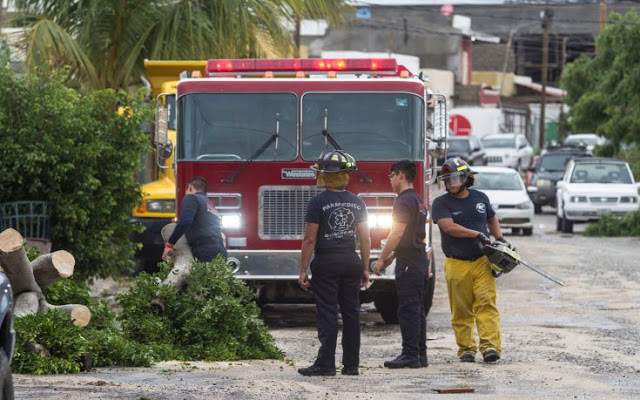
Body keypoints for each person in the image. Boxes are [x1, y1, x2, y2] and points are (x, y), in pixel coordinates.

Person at [431, 158, 512, 363]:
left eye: (456, 179)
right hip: (456, 263)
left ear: (467, 178)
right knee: (461, 308)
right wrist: (475, 234)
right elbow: (448, 227)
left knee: (486, 303)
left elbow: (491, 218)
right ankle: (466, 348)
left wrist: (500, 239)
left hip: (482, 262)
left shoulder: (480, 198)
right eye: (447, 180)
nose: (451, 184)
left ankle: (490, 346)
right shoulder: (441, 203)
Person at [297, 150, 370, 377]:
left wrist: (302, 270)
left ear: (324, 175)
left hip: (327, 262)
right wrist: (365, 268)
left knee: (328, 313)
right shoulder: (358, 203)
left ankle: (326, 364)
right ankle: (351, 365)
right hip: (351, 261)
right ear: (345, 176)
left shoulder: (317, 202)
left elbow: (310, 239)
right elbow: (366, 238)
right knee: (351, 313)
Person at [373, 160, 429, 369]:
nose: (390, 181)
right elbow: (409, 236)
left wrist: (380, 259)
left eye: (391, 176)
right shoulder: (417, 200)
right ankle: (420, 355)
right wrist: (392, 256)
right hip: (417, 258)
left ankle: (410, 354)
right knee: (417, 308)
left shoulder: (403, 201)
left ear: (401, 175)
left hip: (410, 262)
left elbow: (396, 232)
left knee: (407, 308)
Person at [162, 176, 227, 262]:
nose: (186, 194)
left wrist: (169, 244)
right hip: (221, 251)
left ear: (190, 188)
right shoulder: (211, 205)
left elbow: (185, 221)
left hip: (204, 250)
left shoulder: (191, 198)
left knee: (198, 275)